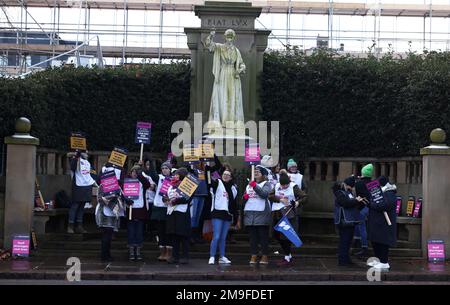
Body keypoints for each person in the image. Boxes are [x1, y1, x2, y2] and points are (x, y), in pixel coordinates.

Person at [203, 29, 246, 129]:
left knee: (232, 98)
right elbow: (209, 45)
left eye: (231, 35)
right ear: (224, 36)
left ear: (234, 37)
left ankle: (231, 122)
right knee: (221, 96)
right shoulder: (219, 47)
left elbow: (242, 64)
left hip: (233, 76)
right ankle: (220, 121)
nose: (229, 37)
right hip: (222, 74)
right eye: (228, 35)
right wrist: (211, 35)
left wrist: (240, 69)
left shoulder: (236, 50)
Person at [269, 170, 307, 266]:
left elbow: (305, 197)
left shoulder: (294, 187)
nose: (283, 187)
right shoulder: (277, 186)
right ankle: (288, 256)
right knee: (277, 235)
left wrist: (298, 203)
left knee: (286, 236)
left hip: (288, 214)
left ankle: (287, 257)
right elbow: (270, 196)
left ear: (289, 183)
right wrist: (279, 199)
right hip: (276, 213)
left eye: (285, 185)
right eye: (282, 185)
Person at [243, 165, 273, 265]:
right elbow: (245, 197)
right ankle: (254, 255)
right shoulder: (249, 184)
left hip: (262, 214)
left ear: (263, 175)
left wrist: (255, 186)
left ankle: (264, 255)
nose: (256, 173)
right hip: (250, 214)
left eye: (258, 172)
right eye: (254, 172)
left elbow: (265, 194)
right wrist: (245, 197)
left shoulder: (267, 184)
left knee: (263, 237)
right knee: (253, 238)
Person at [333, 176, 365, 266]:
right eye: (351, 186)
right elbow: (345, 203)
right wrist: (356, 200)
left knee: (348, 241)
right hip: (343, 221)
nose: (352, 188)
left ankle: (346, 259)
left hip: (350, 221)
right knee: (344, 240)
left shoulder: (349, 192)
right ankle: (342, 260)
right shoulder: (340, 193)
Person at [208, 169, 238, 265]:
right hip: (217, 212)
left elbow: (234, 203)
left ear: (231, 177)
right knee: (216, 236)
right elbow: (210, 179)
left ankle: (222, 256)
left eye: (228, 175)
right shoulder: (218, 183)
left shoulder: (233, 188)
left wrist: (235, 216)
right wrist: (208, 167)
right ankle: (212, 256)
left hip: (228, 214)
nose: (225, 176)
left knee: (223, 237)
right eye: (224, 174)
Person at [95, 178, 129, 262]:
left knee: (109, 236)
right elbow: (100, 199)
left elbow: (122, 197)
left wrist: (125, 199)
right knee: (106, 235)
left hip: (112, 213)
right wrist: (112, 197)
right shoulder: (103, 186)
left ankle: (107, 255)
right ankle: (104, 256)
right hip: (104, 214)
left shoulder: (118, 187)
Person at [367, 176, 397, 270]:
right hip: (377, 223)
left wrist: (372, 204)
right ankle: (378, 260)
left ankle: (384, 261)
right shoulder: (379, 192)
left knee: (383, 242)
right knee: (376, 242)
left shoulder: (390, 193)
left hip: (384, 224)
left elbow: (385, 205)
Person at [165, 167, 193, 264]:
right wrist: (165, 199)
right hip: (172, 212)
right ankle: (174, 256)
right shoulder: (171, 185)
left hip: (182, 213)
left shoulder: (188, 185)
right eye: (175, 174)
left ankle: (185, 256)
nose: (175, 176)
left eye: (177, 174)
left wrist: (176, 200)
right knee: (174, 236)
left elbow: (187, 199)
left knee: (183, 236)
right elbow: (166, 195)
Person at [126, 163, 151, 261]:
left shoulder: (142, 182)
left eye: (136, 172)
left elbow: (147, 184)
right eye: (133, 172)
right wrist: (126, 200)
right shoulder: (127, 181)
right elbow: (123, 192)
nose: (134, 174)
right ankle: (131, 250)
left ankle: (138, 250)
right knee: (131, 231)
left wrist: (140, 174)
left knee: (139, 231)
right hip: (131, 209)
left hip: (140, 209)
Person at [68, 150, 97, 234]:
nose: (87, 153)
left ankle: (79, 226)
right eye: (85, 152)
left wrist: (94, 181)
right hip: (77, 186)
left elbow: (93, 173)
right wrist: (77, 156)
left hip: (86, 187)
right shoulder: (74, 159)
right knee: (75, 206)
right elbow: (73, 167)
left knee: (81, 207)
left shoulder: (88, 163)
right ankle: (70, 225)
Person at [150, 161, 173, 261]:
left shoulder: (174, 179)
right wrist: (151, 162)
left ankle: (168, 252)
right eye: (163, 168)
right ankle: (162, 252)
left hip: (168, 208)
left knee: (168, 231)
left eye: (166, 168)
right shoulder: (159, 178)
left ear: (170, 170)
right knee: (160, 232)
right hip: (159, 207)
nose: (164, 170)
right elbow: (152, 173)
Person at [353, 163, 373, 258]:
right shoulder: (373, 183)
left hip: (362, 208)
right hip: (371, 208)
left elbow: (358, 195)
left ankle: (363, 247)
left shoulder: (359, 183)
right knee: (368, 227)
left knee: (361, 227)